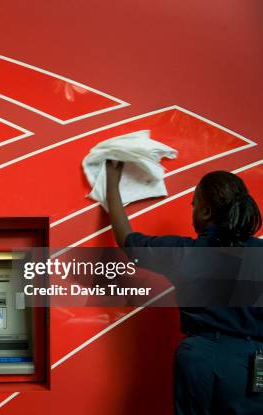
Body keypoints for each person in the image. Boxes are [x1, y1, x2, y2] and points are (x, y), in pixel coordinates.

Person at [105, 160, 263, 415]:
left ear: (207, 211)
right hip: (251, 361)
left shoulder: (186, 253)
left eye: (194, 203)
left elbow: (128, 242)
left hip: (199, 358)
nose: (192, 210)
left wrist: (112, 181)